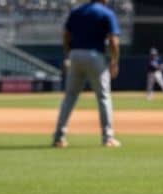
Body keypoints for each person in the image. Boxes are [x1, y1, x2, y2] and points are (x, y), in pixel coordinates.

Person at [51, 0, 121, 148]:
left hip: (75, 54)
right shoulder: (106, 13)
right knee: (103, 96)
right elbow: (113, 40)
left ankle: (58, 137)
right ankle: (107, 138)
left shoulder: (77, 11)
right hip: (95, 55)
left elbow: (66, 34)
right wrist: (114, 61)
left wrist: (67, 55)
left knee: (69, 97)